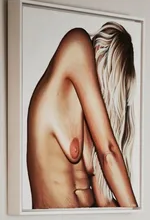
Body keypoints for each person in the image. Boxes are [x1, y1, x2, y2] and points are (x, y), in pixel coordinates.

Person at [26, 22, 138, 208]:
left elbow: (103, 199)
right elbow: (108, 153)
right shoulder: (77, 44)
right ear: (100, 49)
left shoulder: (91, 117)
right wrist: (137, 219)